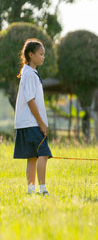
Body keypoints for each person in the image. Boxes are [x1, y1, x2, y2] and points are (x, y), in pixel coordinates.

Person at [14, 39, 52, 196]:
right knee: (43, 153)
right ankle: (43, 190)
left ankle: (31, 191)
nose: (43, 57)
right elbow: (30, 100)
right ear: (31, 55)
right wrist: (42, 123)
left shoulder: (29, 73)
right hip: (32, 123)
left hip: (26, 123)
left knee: (32, 156)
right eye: (40, 54)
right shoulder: (29, 74)